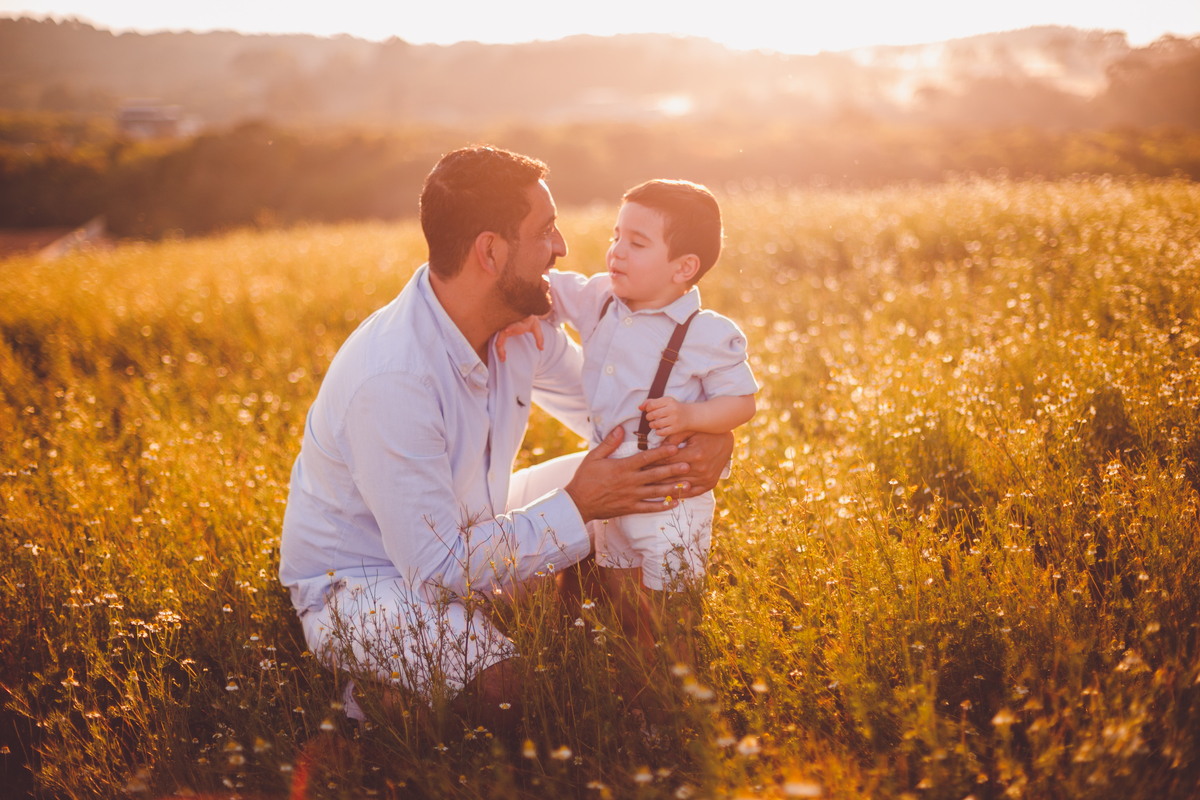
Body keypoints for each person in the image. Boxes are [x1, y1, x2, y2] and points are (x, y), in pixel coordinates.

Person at [277, 147, 734, 732]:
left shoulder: (519, 329)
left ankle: (648, 687)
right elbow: (437, 566)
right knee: (507, 693)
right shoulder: (393, 378)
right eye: (544, 231)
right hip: (365, 581)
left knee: (634, 483)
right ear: (489, 252)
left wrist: (710, 440)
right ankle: (372, 703)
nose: (563, 247)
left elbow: (622, 419)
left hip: (470, 526)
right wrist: (579, 506)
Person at [498, 179, 757, 661]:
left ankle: (674, 691)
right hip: (612, 493)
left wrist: (692, 416)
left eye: (636, 244)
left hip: (670, 498)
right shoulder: (599, 298)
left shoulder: (706, 334)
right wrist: (524, 313)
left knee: (670, 610)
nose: (616, 251)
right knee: (624, 599)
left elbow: (743, 403)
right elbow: (545, 289)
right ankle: (635, 677)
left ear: (684, 268)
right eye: (616, 236)